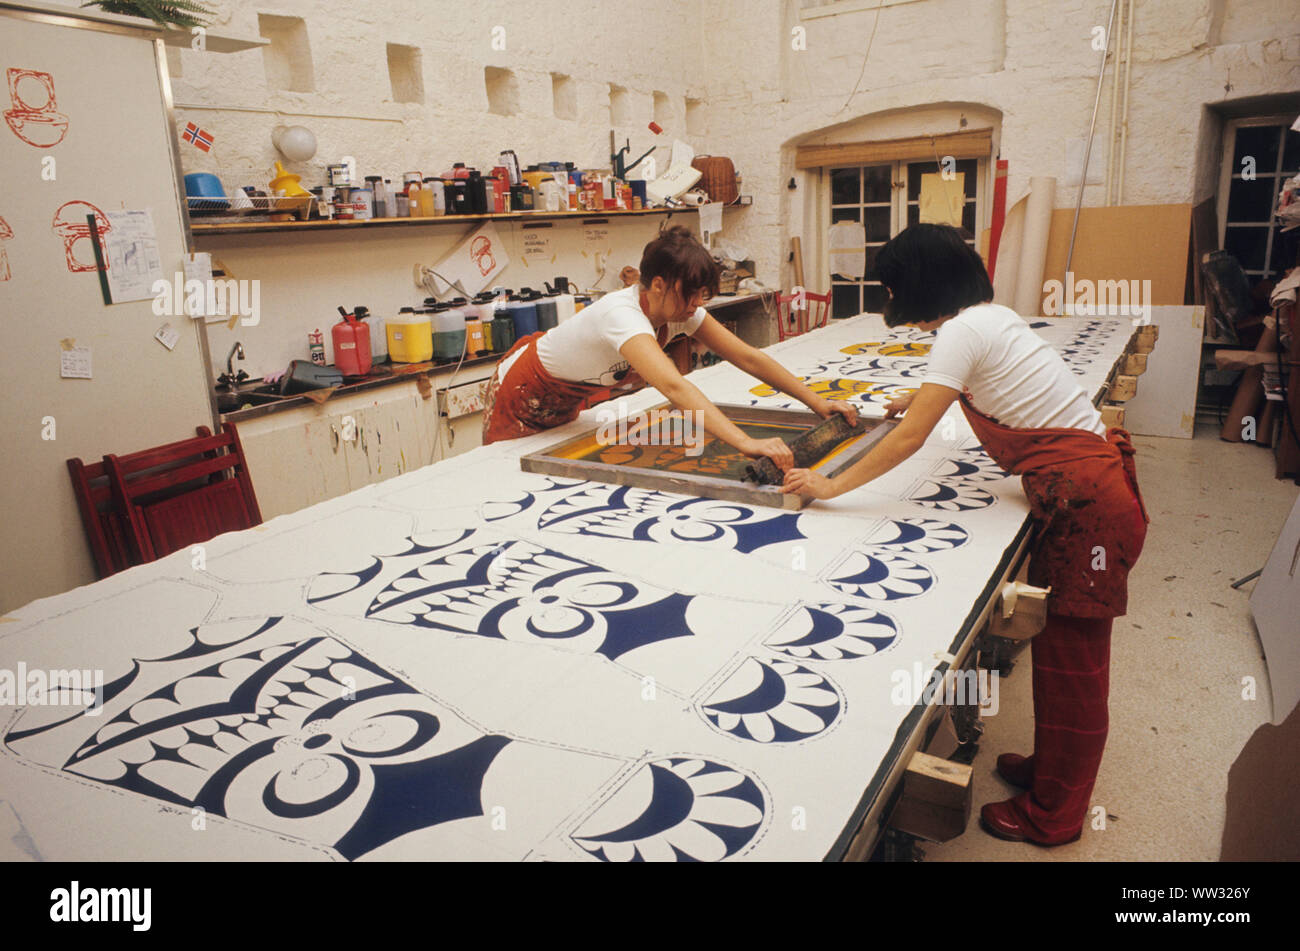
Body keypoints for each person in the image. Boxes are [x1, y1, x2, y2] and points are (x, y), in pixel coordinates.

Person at [783, 223, 1148, 847]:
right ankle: (1048, 772)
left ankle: (1055, 816)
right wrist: (916, 398)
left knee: (1074, 668)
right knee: (1063, 655)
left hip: (1087, 506)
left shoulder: (958, 331)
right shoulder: (990, 317)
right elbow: (975, 388)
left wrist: (830, 485)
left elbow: (909, 441)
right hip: (1085, 489)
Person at [482, 225, 857, 466]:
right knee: (508, 473)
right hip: (521, 394)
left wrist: (817, 402)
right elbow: (675, 387)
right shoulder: (622, 314)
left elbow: (748, 357)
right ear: (658, 284)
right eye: (690, 295)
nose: (696, 306)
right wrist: (746, 443)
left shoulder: (679, 310)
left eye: (701, 297)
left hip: (564, 401)